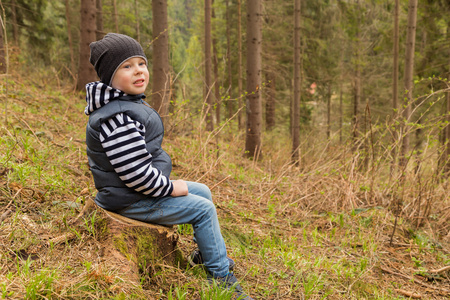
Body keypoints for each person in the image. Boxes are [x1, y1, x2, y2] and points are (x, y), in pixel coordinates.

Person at [84, 33, 253, 300]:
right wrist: (171, 188)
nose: (138, 71)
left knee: (203, 191)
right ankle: (222, 280)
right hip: (129, 200)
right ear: (109, 77)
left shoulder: (124, 105)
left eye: (141, 63)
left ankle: (204, 254)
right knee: (203, 209)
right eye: (126, 67)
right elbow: (135, 175)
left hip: (136, 191)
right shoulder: (116, 118)